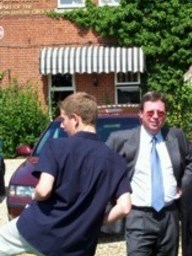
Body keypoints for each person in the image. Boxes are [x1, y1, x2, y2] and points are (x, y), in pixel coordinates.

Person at [0, 92, 132, 256]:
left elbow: (43, 190)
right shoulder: (116, 161)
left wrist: (33, 198)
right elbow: (125, 207)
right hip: (78, 245)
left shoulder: (56, 147)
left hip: (38, 230)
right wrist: (95, 221)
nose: (62, 125)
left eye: (63, 120)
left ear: (75, 119)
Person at [106, 91, 192, 256]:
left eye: (160, 113)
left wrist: (183, 185)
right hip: (138, 216)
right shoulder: (120, 140)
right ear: (141, 114)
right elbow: (104, 169)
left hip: (169, 216)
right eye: (150, 112)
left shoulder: (175, 136)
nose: (155, 117)